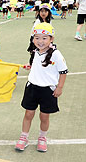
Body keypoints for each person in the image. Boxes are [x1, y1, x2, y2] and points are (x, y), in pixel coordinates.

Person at [15, 23, 68, 152]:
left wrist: (59, 87)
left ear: (51, 39)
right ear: (33, 39)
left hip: (47, 90)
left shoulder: (56, 54)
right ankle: (24, 137)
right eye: (37, 37)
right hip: (32, 88)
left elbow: (63, 71)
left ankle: (42, 138)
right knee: (28, 114)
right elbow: (36, 64)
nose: (40, 41)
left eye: (44, 38)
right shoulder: (35, 52)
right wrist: (30, 66)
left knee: (44, 116)